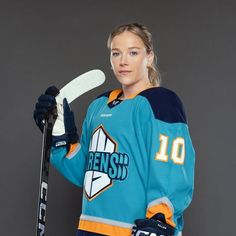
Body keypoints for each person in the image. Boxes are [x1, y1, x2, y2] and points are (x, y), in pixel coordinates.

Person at [33, 23, 195, 236]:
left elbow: (171, 168)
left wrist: (160, 221)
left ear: (149, 57)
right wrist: (59, 136)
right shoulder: (99, 105)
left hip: (137, 231)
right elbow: (87, 172)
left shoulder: (161, 103)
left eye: (133, 52)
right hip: (89, 227)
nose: (123, 61)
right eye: (116, 53)